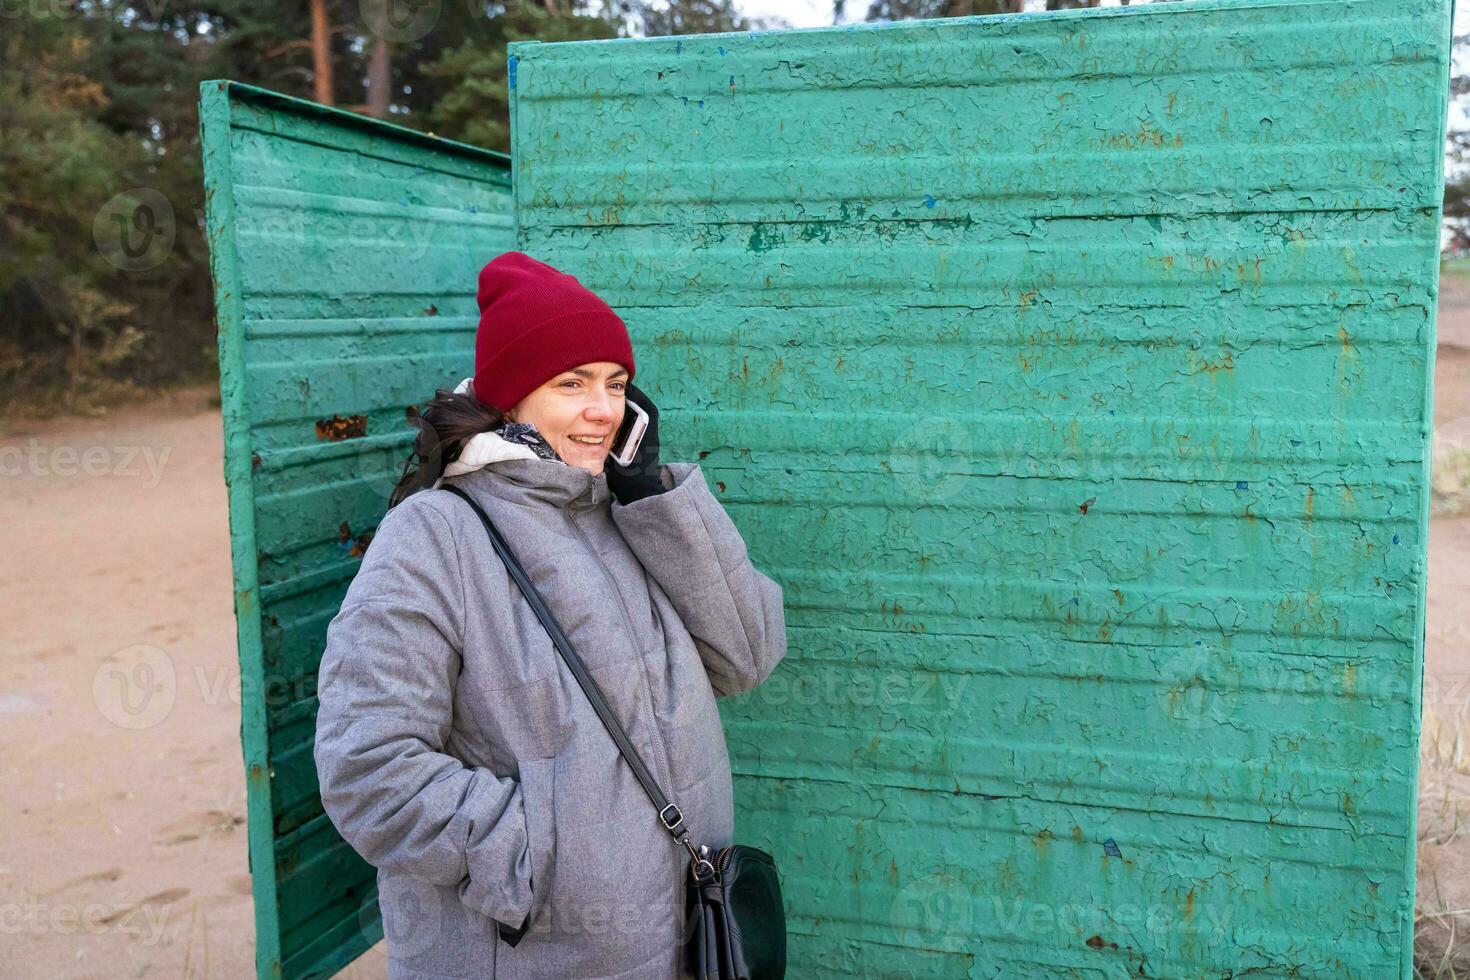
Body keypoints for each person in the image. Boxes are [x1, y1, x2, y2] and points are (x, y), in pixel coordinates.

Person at [313, 251, 788, 979]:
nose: (603, 410)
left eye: (615, 384)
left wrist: (653, 494)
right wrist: (541, 859)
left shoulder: (625, 512)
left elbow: (748, 654)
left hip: (679, 940)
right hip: (541, 955)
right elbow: (367, 767)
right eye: (571, 384)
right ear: (510, 395)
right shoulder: (435, 536)